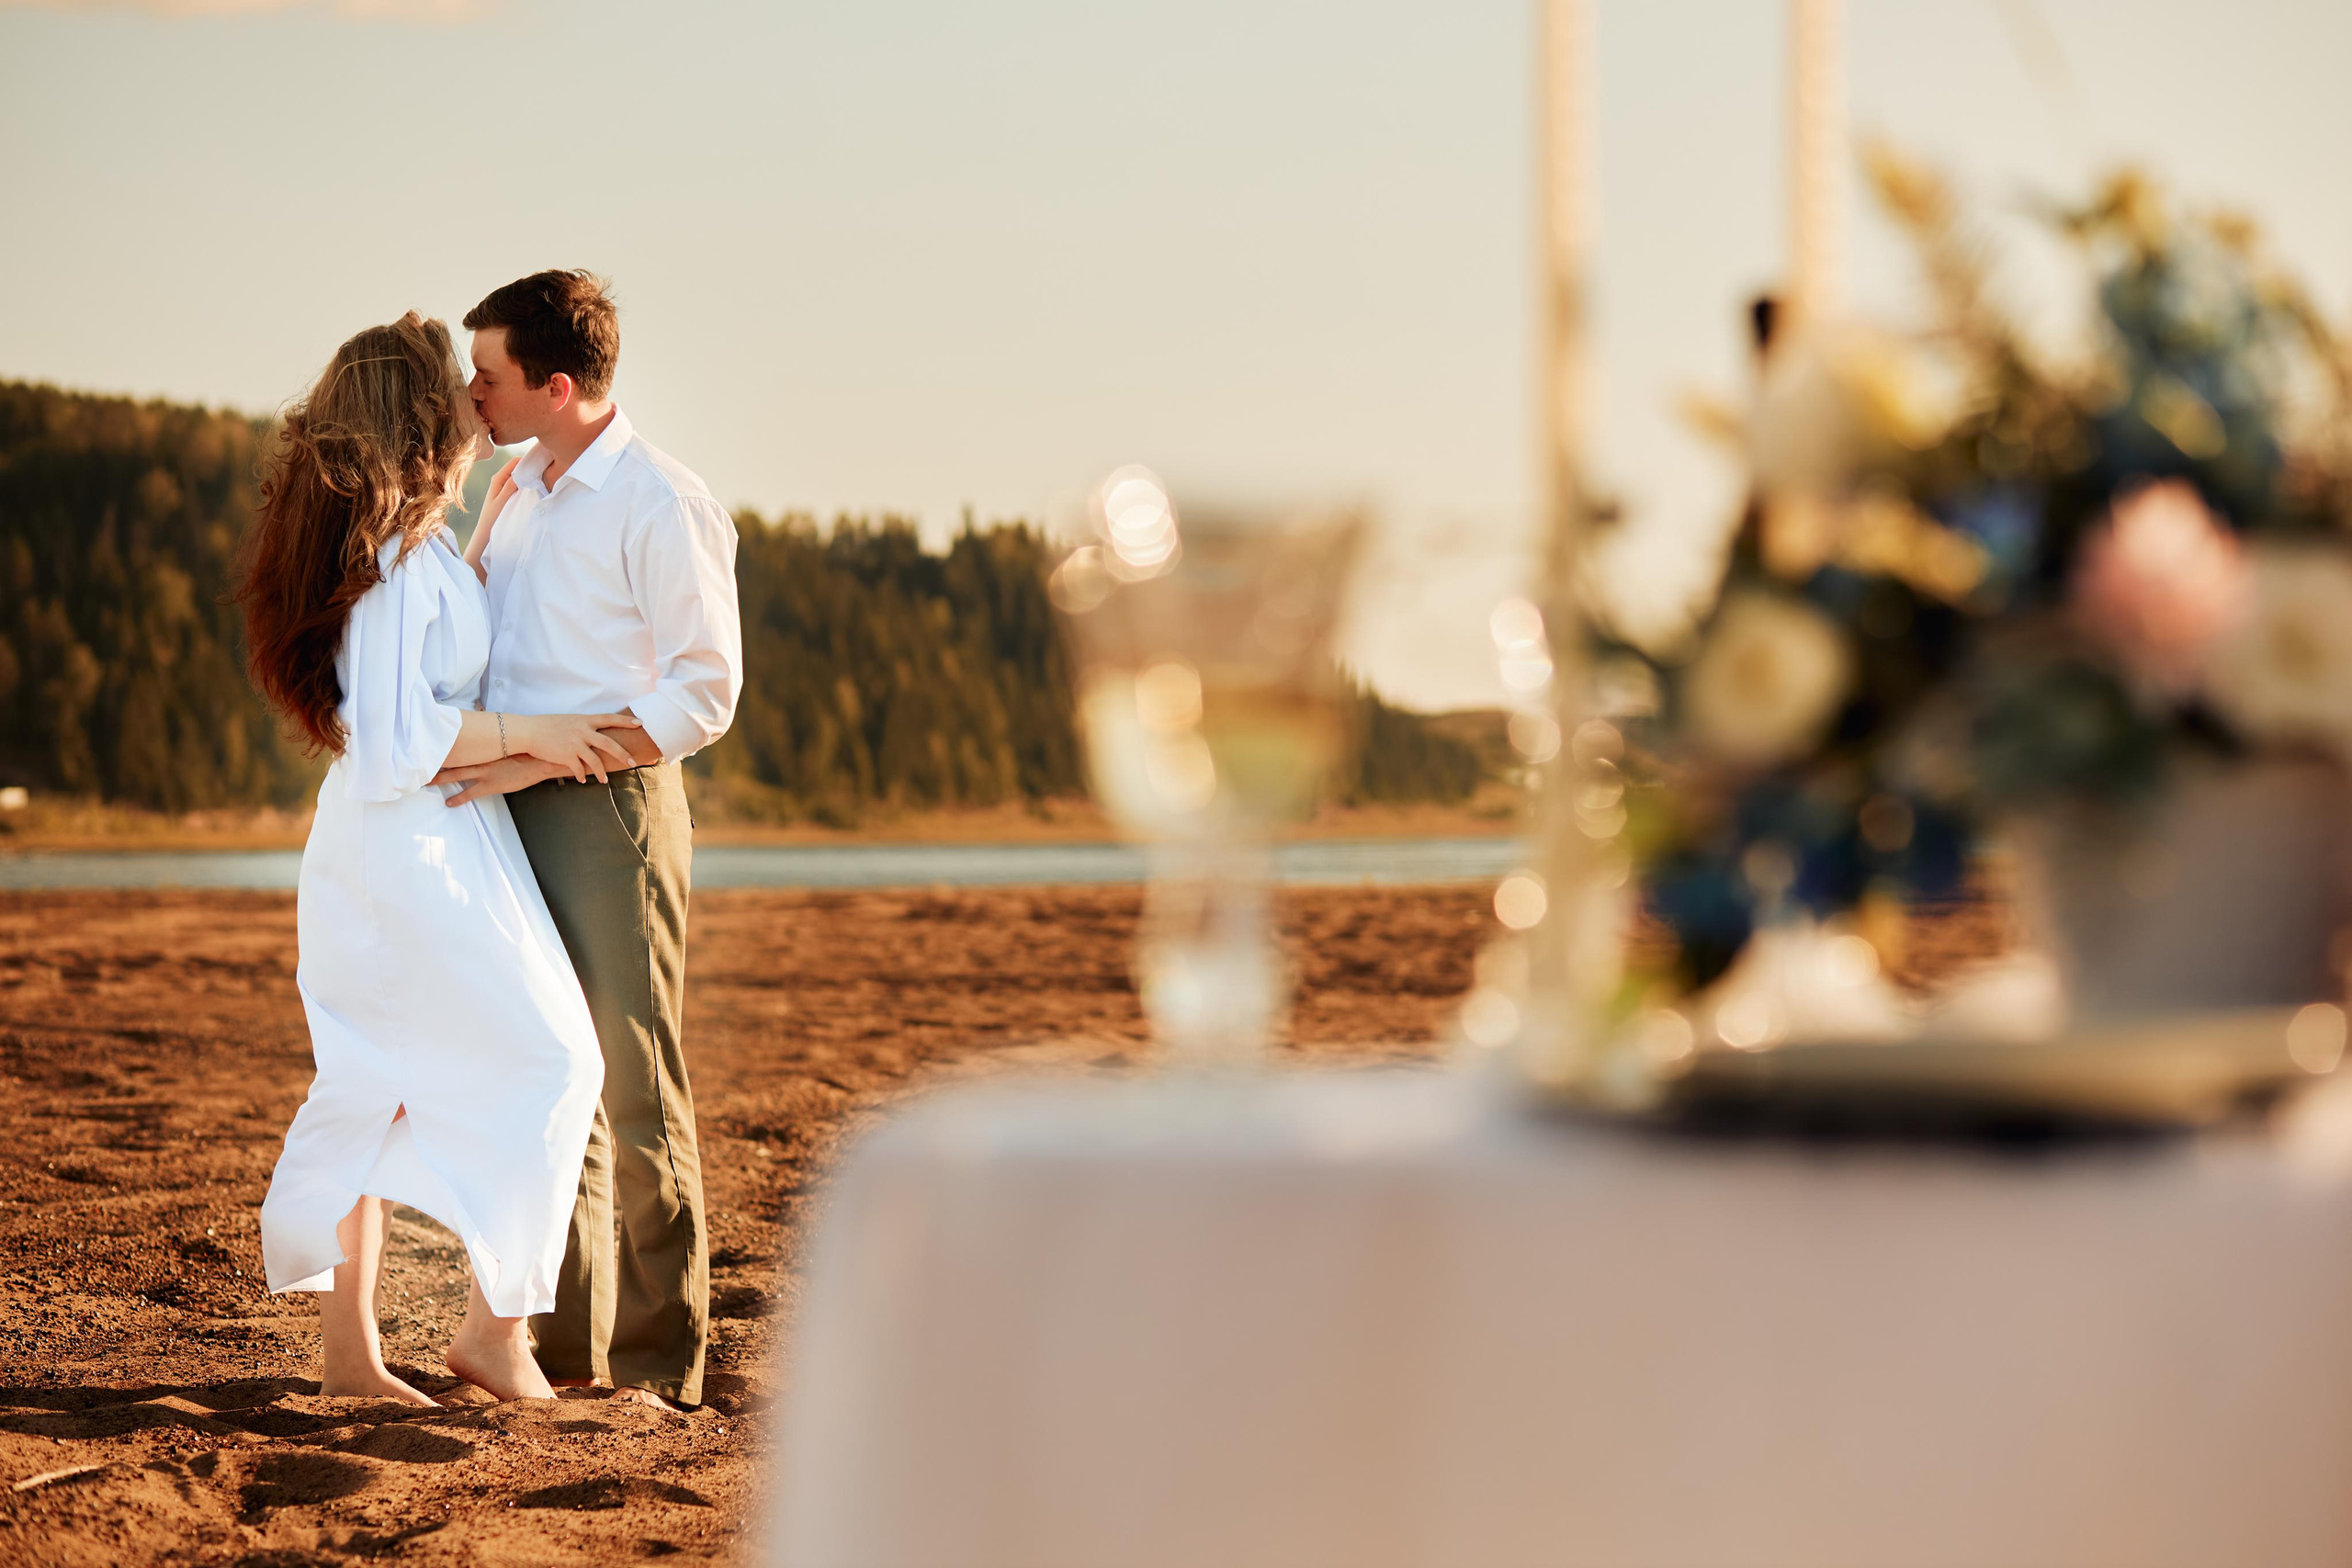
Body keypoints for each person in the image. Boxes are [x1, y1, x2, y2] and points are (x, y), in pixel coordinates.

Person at [241, 312, 643, 1404]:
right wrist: (532, 735)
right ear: (421, 418)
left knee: (380, 1085)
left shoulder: (412, 549)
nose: (479, 404)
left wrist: (485, 528)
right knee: (556, 1060)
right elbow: (395, 738)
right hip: (403, 853)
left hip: (435, 843)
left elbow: (417, 676)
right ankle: (489, 1334)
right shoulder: (391, 559)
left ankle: (359, 1358)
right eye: (459, 390)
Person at [435, 270, 742, 1411]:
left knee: (634, 1082)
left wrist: (533, 758)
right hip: (507, 804)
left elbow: (704, 694)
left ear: (557, 385)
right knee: (548, 1076)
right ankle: (562, 1354)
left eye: (491, 377)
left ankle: (664, 1368)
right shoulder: (514, 485)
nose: (473, 396)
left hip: (609, 809)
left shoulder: (662, 502)